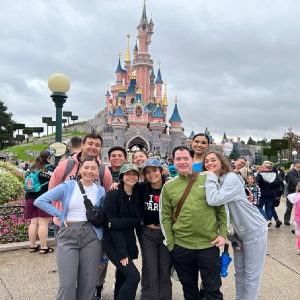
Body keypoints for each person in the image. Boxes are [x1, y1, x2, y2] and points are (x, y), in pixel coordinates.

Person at [160, 146, 227, 300]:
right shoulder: (169, 187)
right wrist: (171, 244)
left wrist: (222, 234)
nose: (182, 162)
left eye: (186, 158)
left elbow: (222, 210)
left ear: (192, 160)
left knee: (213, 290)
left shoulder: (208, 179)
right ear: (173, 161)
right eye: (178, 159)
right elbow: (165, 217)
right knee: (189, 291)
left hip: (208, 245)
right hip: (182, 246)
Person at [34, 157, 105, 300]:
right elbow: (40, 201)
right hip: (68, 233)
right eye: (86, 167)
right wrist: (60, 216)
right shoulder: (68, 186)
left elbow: (102, 213)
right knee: (67, 283)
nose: (89, 171)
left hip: (91, 235)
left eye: (93, 168)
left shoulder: (101, 191)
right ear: (80, 169)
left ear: (98, 172)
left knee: (88, 282)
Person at [203, 151, 268, 300]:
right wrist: (232, 237)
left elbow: (214, 200)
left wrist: (211, 177)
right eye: (206, 161)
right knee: (239, 272)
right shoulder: (216, 181)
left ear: (222, 162)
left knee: (251, 274)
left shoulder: (230, 178)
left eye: (213, 160)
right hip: (238, 233)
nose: (209, 163)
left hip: (254, 229)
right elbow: (224, 214)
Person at [103, 163, 143, 300]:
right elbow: (111, 227)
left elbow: (138, 220)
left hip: (129, 241)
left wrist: (117, 223)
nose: (131, 177)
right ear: (121, 176)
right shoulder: (113, 195)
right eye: (127, 174)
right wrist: (122, 252)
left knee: (122, 276)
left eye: (134, 174)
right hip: (114, 243)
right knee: (133, 276)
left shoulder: (138, 195)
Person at [139, 159, 172, 300]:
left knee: (164, 269)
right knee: (150, 269)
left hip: (166, 233)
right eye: (147, 172)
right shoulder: (141, 188)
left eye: (154, 170)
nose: (151, 174)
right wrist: (116, 184)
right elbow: (125, 188)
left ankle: (165, 297)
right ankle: (148, 297)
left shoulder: (170, 187)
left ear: (161, 171)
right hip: (148, 233)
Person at [24, 149, 55, 254]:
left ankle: (32, 246)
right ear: (48, 158)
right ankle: (43, 247)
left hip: (29, 196)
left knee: (33, 223)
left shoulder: (31, 168)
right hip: (43, 197)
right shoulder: (50, 168)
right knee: (43, 223)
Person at [256, 161, 284, 228]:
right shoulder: (275, 175)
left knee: (259, 207)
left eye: (262, 165)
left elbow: (256, 181)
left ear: (265, 167)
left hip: (263, 194)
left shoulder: (260, 175)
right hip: (272, 195)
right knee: (268, 209)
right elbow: (279, 185)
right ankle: (269, 223)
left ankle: (267, 220)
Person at [284, 159, 300, 226]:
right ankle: (286, 220)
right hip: (292, 191)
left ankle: (297, 220)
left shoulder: (298, 171)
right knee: (289, 206)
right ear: (295, 164)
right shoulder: (291, 172)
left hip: (297, 191)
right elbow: (295, 181)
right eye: (299, 163)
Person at [287, 182, 300, 255]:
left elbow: (289, 197)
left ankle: (299, 248)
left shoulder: (295, 196)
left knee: (298, 233)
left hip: (297, 216)